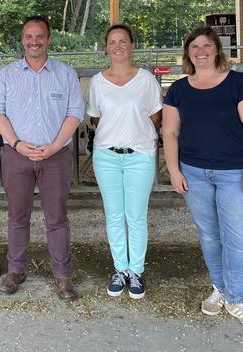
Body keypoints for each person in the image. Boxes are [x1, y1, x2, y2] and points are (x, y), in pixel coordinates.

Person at [162, 26, 243, 330]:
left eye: (207, 45)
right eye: (195, 46)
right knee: (209, 235)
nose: (201, 51)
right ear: (188, 53)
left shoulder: (238, 84)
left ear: (217, 49)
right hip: (194, 173)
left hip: (235, 172)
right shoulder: (179, 89)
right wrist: (174, 170)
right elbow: (170, 132)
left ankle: (237, 298)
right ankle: (220, 289)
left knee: (238, 239)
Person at [0, 16, 84, 300]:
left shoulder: (65, 73)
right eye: (29, 37)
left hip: (54, 157)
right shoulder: (7, 74)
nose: (34, 42)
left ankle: (62, 275)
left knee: (57, 217)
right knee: (18, 215)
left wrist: (55, 146)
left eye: (40, 36)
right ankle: (16, 269)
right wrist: (17, 144)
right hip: (17, 155)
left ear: (49, 39)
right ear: (22, 40)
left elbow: (75, 112)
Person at [86, 24, 162, 300]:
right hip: (106, 155)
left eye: (123, 41)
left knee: (136, 216)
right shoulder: (97, 82)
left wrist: (134, 133)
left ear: (132, 45)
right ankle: (120, 269)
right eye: (112, 42)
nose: (118, 46)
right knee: (114, 215)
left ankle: (136, 271)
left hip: (139, 155)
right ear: (106, 48)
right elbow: (96, 118)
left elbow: (155, 117)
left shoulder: (146, 80)